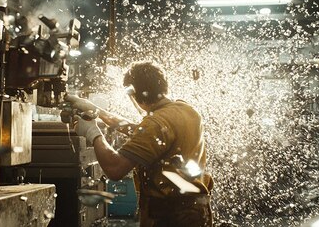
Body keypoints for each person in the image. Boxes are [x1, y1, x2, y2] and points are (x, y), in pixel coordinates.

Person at [65, 61, 213, 227]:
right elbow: (144, 132)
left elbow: (115, 168)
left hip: (171, 217)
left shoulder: (156, 123)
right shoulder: (186, 110)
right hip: (197, 212)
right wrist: (98, 112)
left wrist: (93, 132)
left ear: (135, 96)